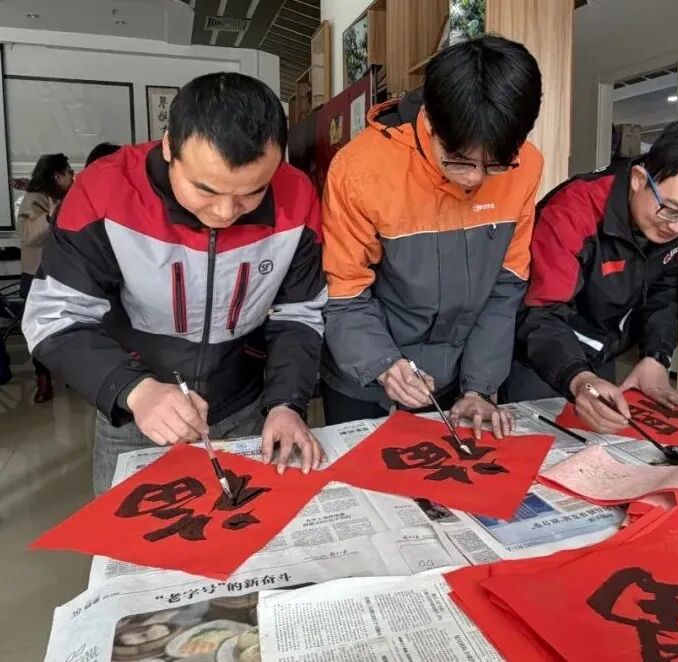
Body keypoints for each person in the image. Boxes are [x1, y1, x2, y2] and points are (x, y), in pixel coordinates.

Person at [24, 72, 327, 494]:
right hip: (139, 412)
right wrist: (134, 389)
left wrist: (286, 403)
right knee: (135, 532)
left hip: (248, 408)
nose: (225, 212)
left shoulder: (297, 196)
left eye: (252, 192)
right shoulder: (105, 190)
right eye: (205, 189)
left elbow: (299, 314)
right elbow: (53, 318)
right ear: (169, 146)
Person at [321, 35, 543, 439]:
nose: (474, 179)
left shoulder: (526, 166)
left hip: (458, 370)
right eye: (458, 162)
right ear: (428, 121)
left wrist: (479, 386)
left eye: (495, 165)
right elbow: (347, 291)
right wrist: (382, 363)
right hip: (365, 369)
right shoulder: (359, 170)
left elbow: (506, 286)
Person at [502, 118, 678, 432]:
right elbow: (541, 311)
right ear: (638, 179)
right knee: (539, 446)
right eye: (671, 210)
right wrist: (579, 377)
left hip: (603, 352)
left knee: (604, 441)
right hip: (543, 355)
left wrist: (656, 356)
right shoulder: (572, 213)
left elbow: (666, 290)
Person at [17, 153, 74, 403]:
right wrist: (50, 217)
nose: (72, 177)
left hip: (64, 274)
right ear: (57, 176)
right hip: (37, 277)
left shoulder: (66, 197)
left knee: (70, 326)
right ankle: (43, 380)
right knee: (40, 331)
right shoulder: (34, 199)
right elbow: (28, 235)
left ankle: (73, 374)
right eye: (69, 173)